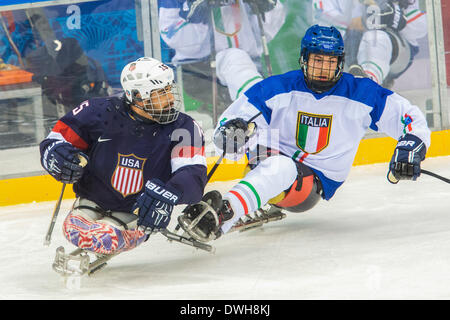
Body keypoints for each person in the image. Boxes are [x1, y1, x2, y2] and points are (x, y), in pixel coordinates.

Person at [175, 24, 431, 243]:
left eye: (330, 62)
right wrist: (230, 133)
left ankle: (222, 215)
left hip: (312, 182)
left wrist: (412, 146)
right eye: (317, 61)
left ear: (340, 62)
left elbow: (410, 118)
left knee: (282, 167)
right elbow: (233, 123)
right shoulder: (281, 87)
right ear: (304, 59)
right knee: (252, 97)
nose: (323, 69)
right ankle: (249, 195)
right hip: (268, 155)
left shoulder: (361, 93)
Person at [39, 57, 207, 255]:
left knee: (105, 238)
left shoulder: (184, 128)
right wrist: (57, 156)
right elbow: (54, 141)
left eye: (170, 89)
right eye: (161, 93)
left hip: (136, 212)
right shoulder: (97, 112)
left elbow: (193, 175)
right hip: (92, 201)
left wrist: (170, 193)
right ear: (137, 96)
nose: (170, 98)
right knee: (75, 230)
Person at [158, 0, 286, 117]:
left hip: (250, 66)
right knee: (235, 59)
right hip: (201, 71)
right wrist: (199, 14)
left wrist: (266, 6)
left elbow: (268, 30)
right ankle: (262, 112)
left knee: (237, 60)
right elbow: (172, 35)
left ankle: (264, 113)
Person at [312, 0, 427, 88]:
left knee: (374, 39)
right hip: (343, 52)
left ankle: (367, 88)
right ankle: (365, 86)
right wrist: (359, 23)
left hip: (396, 50)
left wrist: (396, 17)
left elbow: (424, 24)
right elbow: (322, 20)